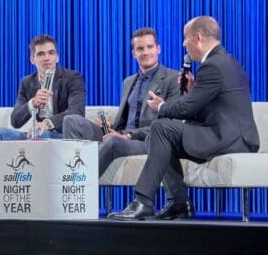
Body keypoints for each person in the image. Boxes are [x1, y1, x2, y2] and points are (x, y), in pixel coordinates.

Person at [108, 16, 260, 221]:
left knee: (161, 127)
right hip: (229, 134)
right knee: (161, 134)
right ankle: (179, 203)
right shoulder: (225, 61)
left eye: (185, 39)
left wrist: (160, 106)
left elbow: (186, 109)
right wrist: (191, 91)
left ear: (197, 38)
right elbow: (209, 107)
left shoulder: (213, 66)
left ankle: (143, 201)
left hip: (228, 138)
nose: (184, 44)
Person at [62, 28, 182, 208]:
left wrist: (126, 136)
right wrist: (110, 128)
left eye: (150, 47)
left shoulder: (173, 79)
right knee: (71, 121)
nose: (146, 52)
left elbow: (169, 124)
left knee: (113, 143)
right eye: (140, 49)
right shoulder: (128, 81)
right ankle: (73, 172)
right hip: (121, 135)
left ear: (159, 49)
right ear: (134, 53)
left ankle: (77, 190)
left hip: (148, 140)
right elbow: (125, 119)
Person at [0, 34, 86, 215]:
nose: (47, 58)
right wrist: (32, 103)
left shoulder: (72, 78)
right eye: (41, 54)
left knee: (42, 136)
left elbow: (76, 112)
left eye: (51, 53)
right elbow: (16, 121)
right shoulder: (27, 82)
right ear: (33, 59)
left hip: (60, 136)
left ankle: (40, 200)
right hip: (34, 135)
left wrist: (47, 123)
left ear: (58, 57)